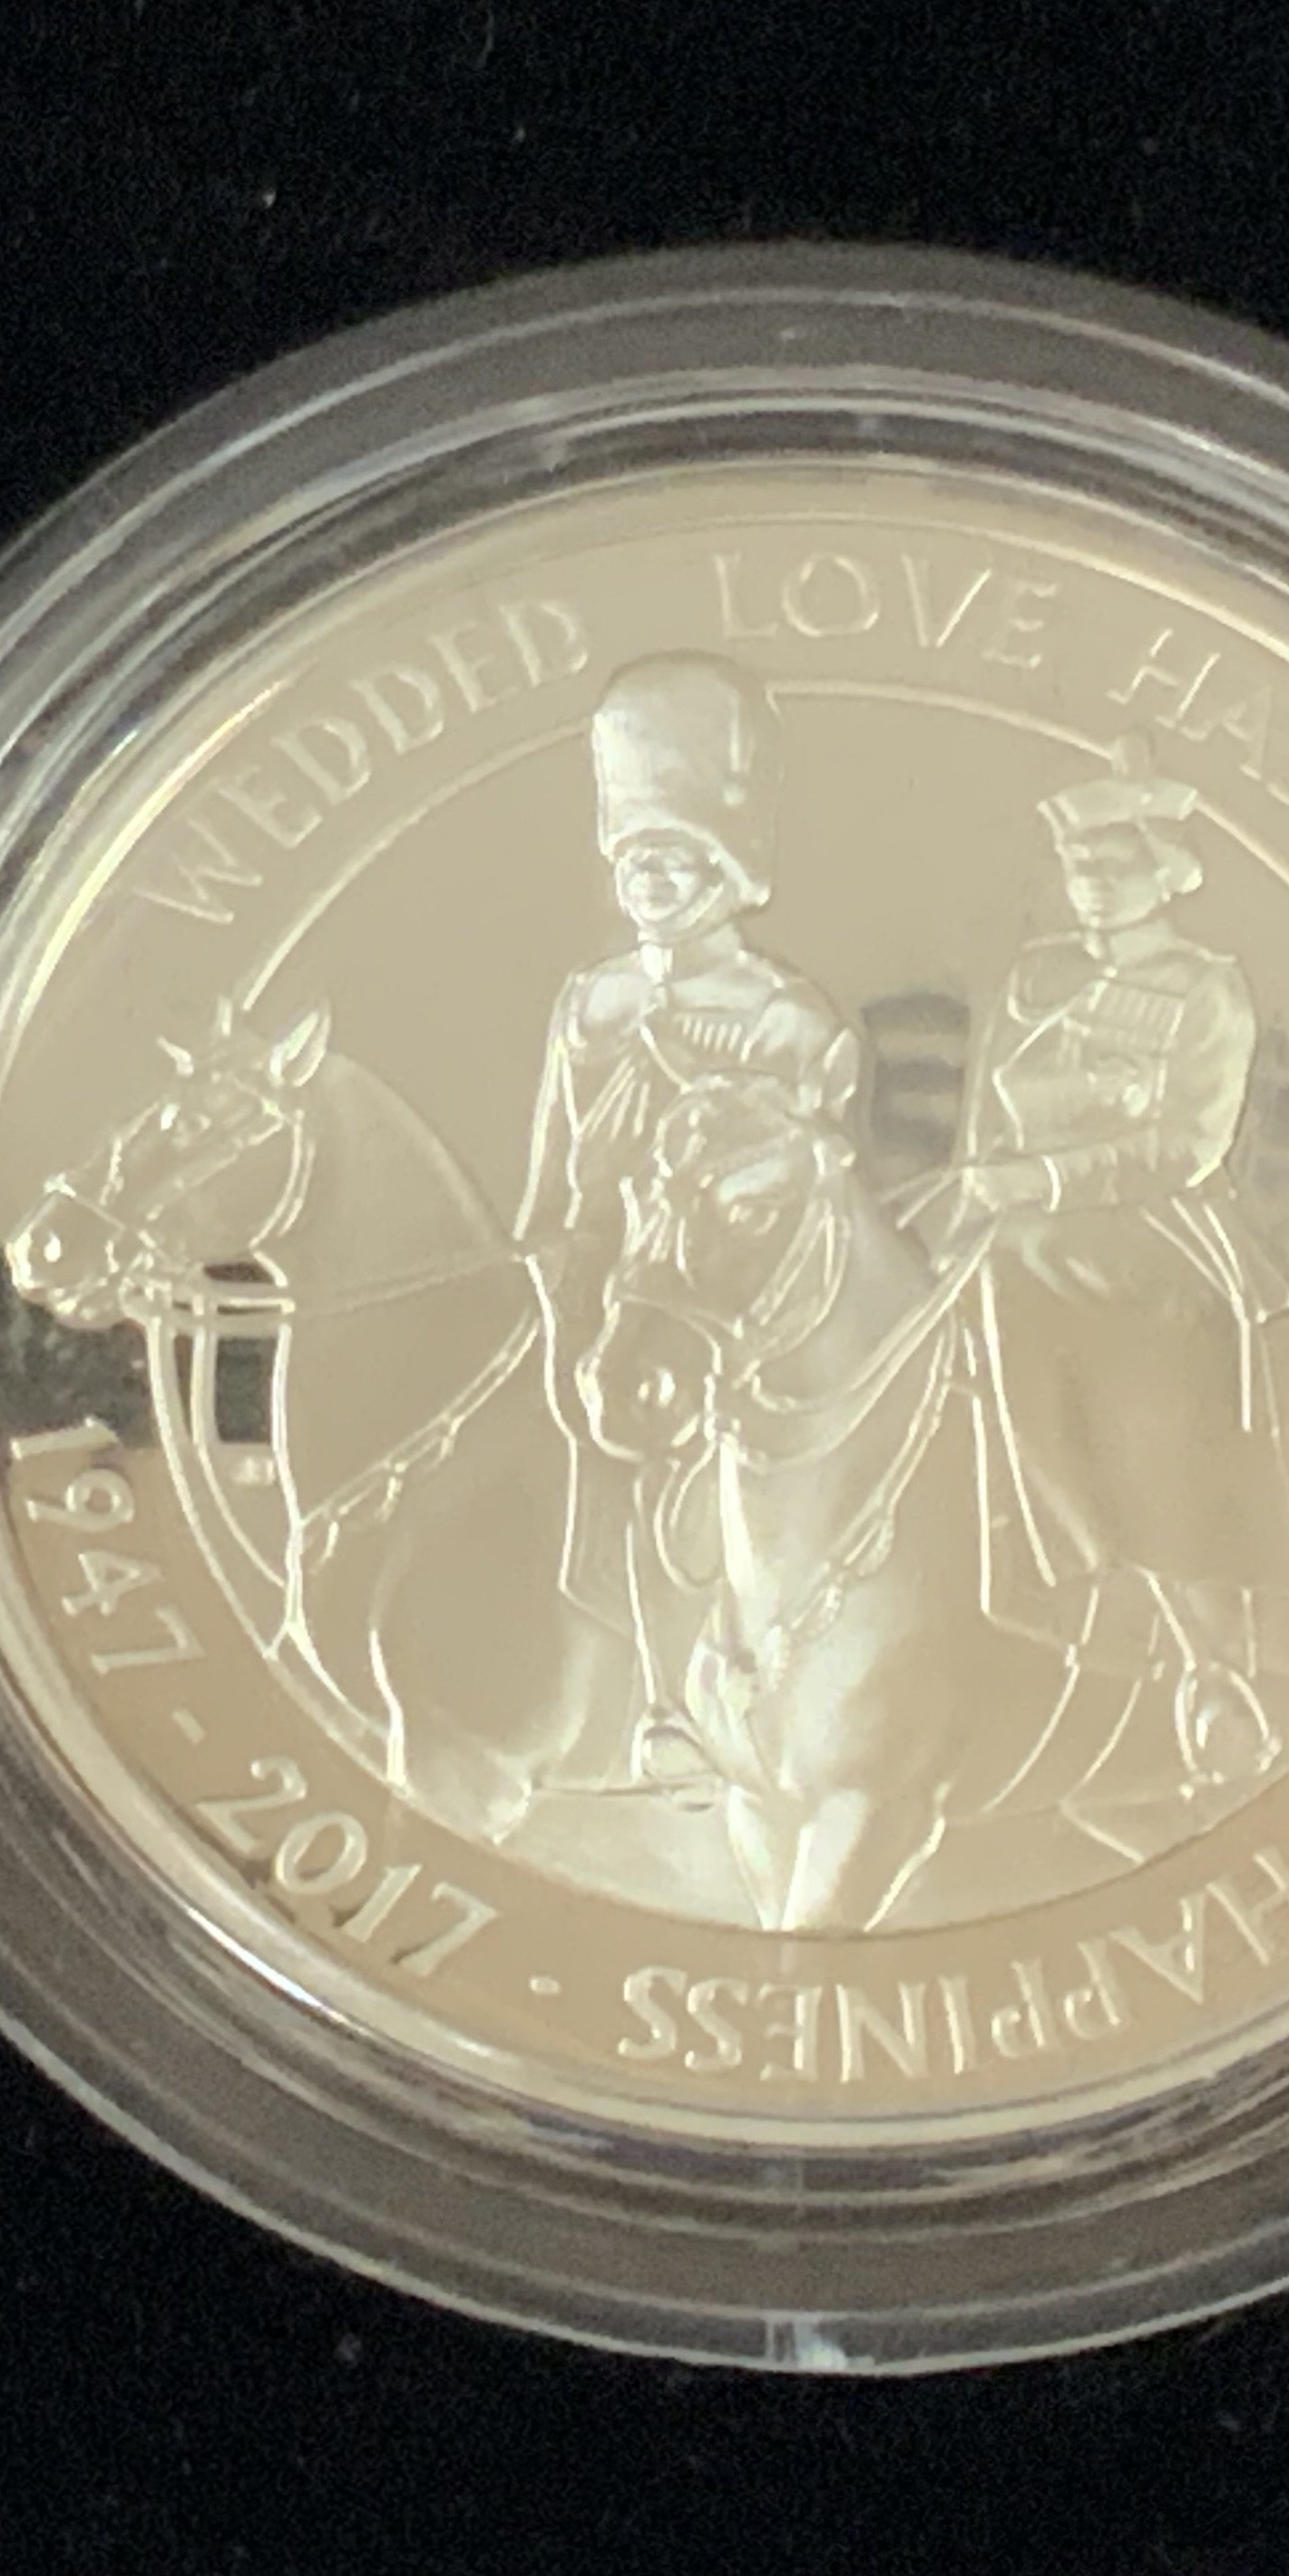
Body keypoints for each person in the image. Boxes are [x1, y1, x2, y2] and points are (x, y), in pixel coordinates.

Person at [910, 739, 1289, 1797]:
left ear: (1166, 873)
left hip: (1152, 1234)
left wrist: (1037, 1183)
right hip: (1010, 1219)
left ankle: (1208, 1660)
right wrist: (969, 1199)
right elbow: (989, 1120)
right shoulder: (1036, 978)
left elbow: (1190, 1146)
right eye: (1080, 865)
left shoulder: (1206, 989)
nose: (1091, 881)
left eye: (1114, 865)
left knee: (1075, 1334)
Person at [514, 653, 860, 1786]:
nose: (651, 881)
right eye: (636, 860)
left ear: (724, 870)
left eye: (675, 860)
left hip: (716, 1283)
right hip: (594, 1268)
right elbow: (557, 1141)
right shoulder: (593, 996)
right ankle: (599, 1681)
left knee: (692, 1473)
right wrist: (544, 1241)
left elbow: (802, 1175)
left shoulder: (782, 1012)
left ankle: (709, 1690)